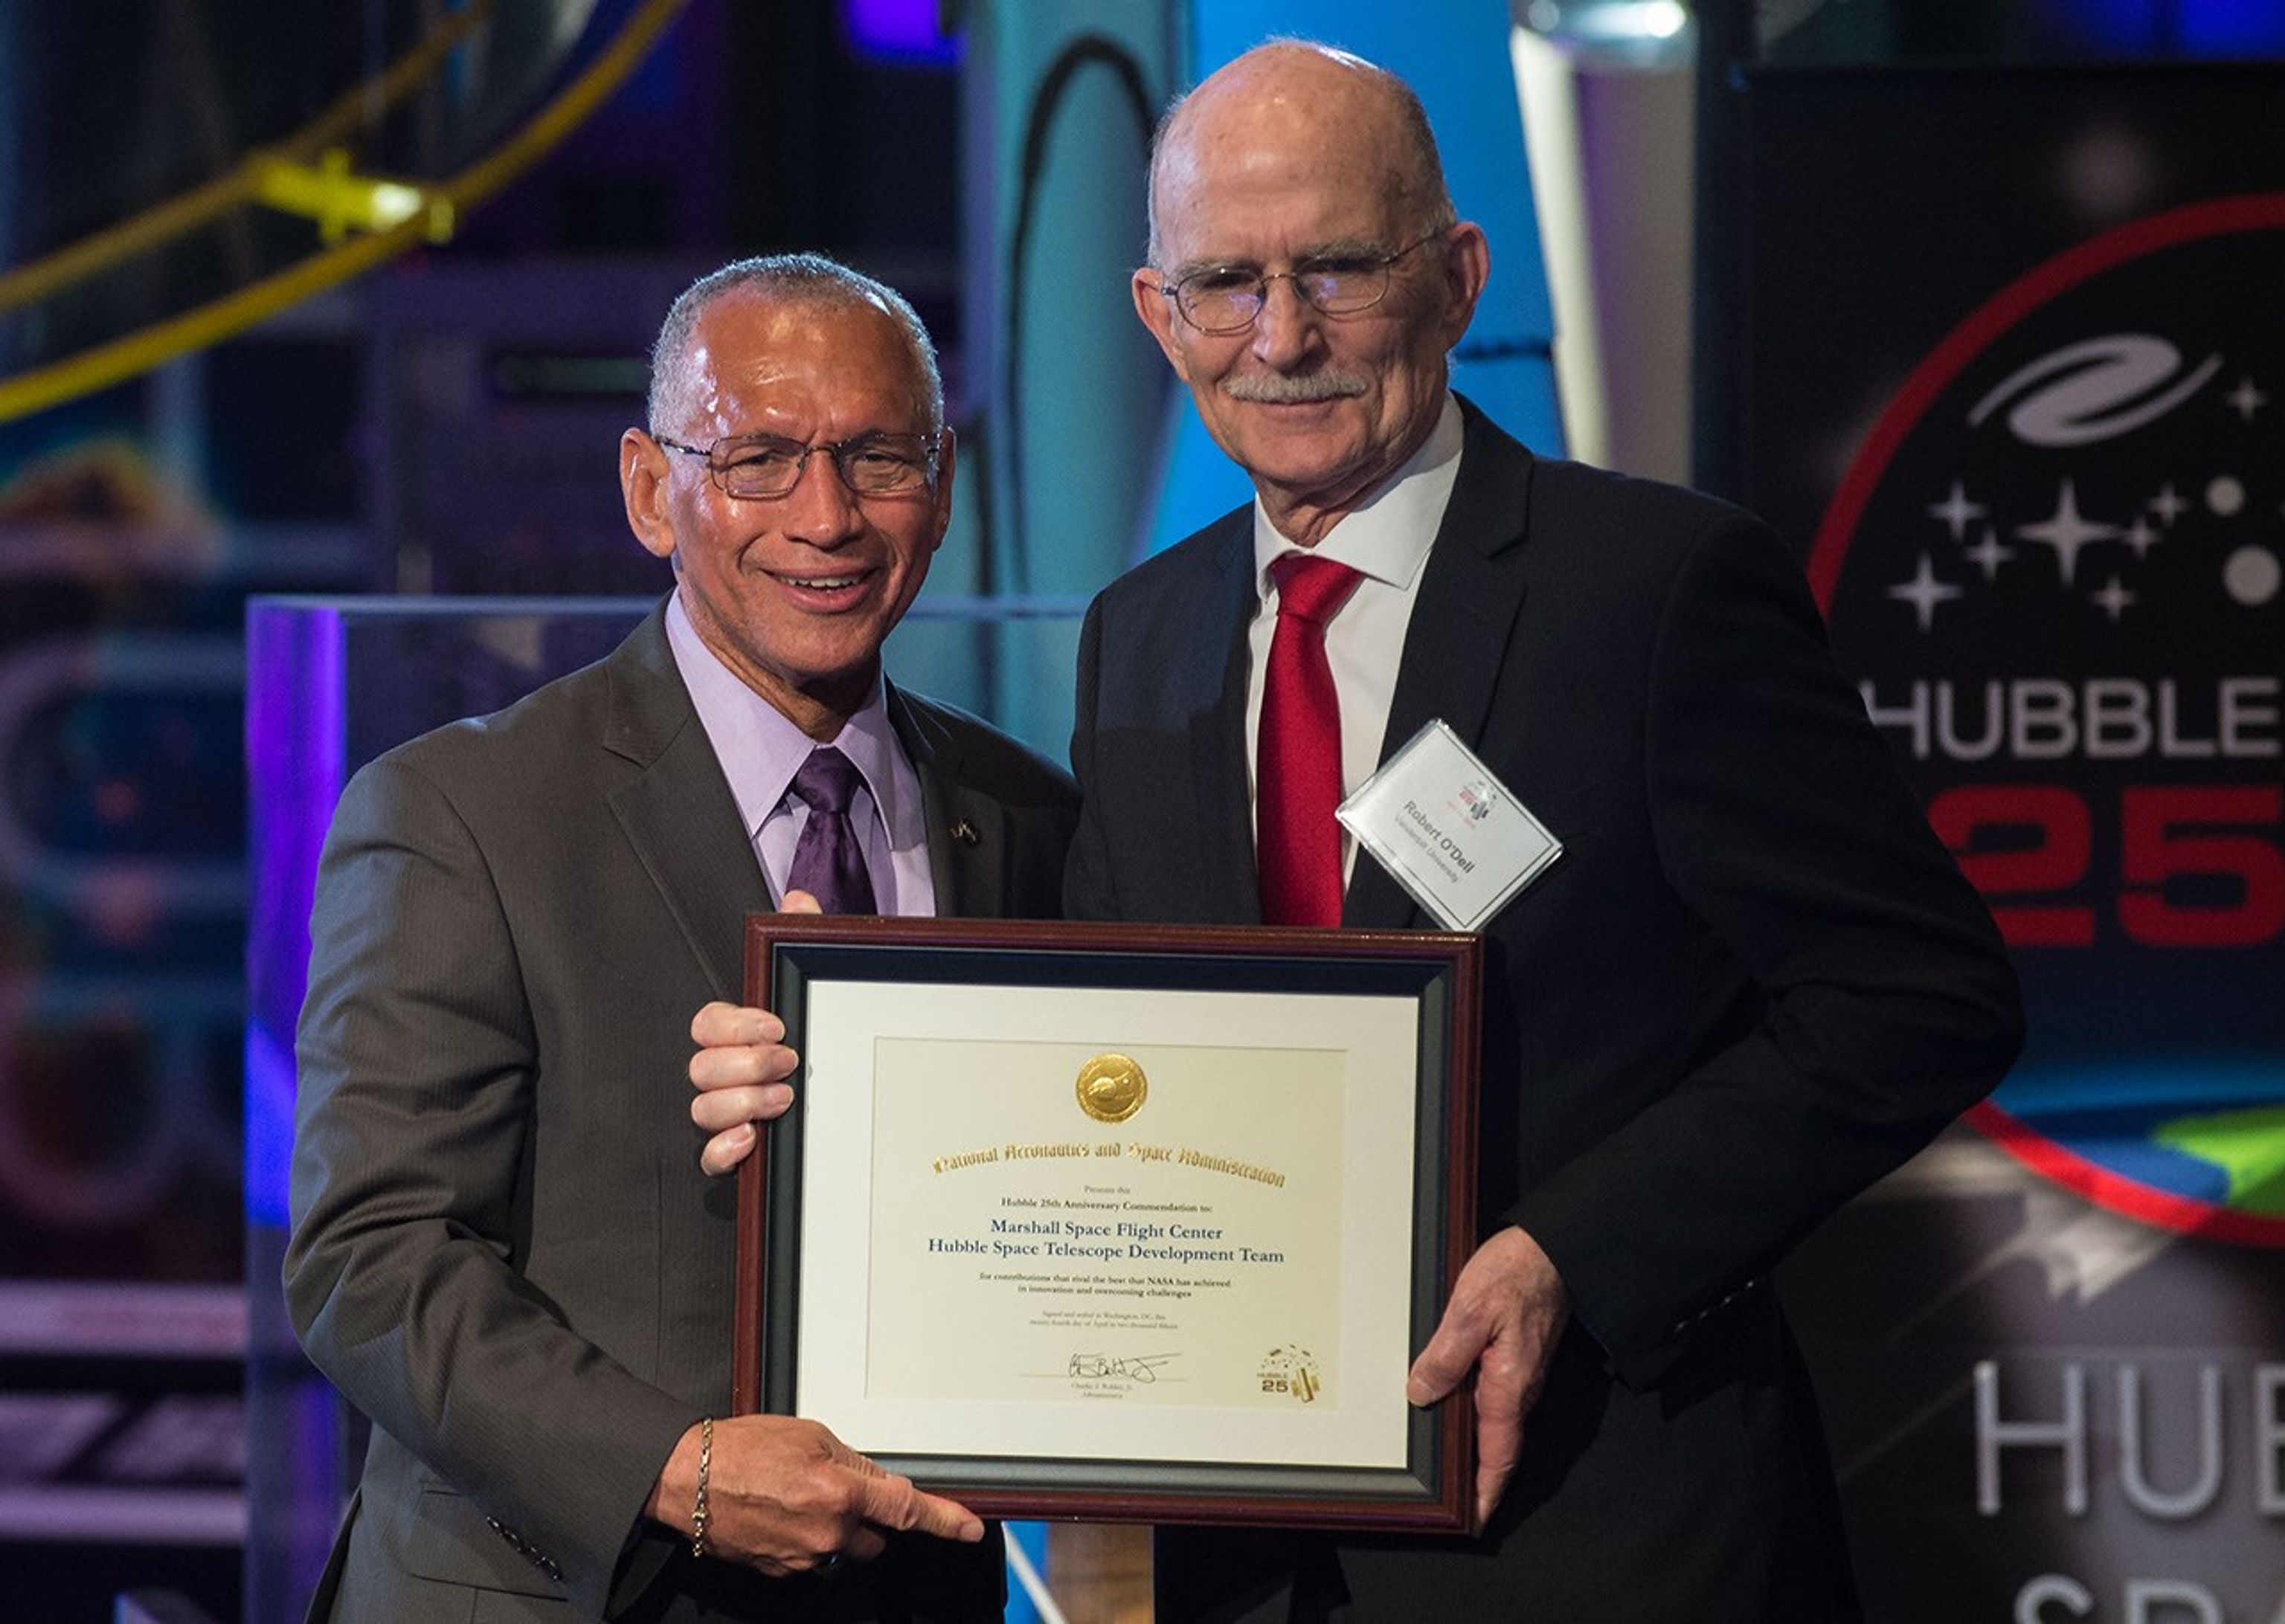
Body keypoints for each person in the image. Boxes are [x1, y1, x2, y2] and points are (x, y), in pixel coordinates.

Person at [694, 41, 2023, 1623]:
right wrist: (828, 1094)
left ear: (1457, 278)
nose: (1282, 338)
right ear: (1152, 314)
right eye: (1225, 282)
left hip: (1605, 1531)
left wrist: (1568, 1259)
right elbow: (1108, 1049)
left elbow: (1921, 999)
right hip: (1252, 1561)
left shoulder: (1654, 592)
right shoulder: (1145, 632)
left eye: (1337, 267)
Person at [285, 254, 1077, 1623]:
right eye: (761, 457)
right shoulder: (459, 813)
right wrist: (680, 1469)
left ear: (943, 486)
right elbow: (371, 1260)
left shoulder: (1026, 819)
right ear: (654, 489)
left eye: (879, 456)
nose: (827, 516)